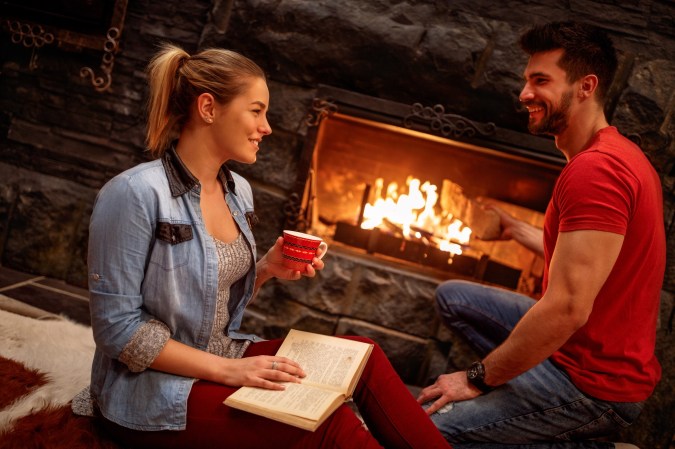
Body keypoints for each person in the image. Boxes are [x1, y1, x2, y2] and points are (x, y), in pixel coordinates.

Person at [73, 43, 452, 449]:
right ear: (208, 108)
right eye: (256, 110)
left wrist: (267, 268)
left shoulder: (239, 192)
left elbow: (207, 303)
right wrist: (228, 371)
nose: (267, 126)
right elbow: (117, 331)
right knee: (328, 425)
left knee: (363, 357)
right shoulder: (133, 193)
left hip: (220, 356)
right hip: (148, 392)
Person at [417, 21, 665, 449]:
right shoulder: (613, 152)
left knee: (425, 432)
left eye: (540, 81)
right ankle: (529, 398)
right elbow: (586, 257)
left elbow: (567, 309)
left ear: (585, 86)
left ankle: (569, 429)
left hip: (592, 384)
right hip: (579, 347)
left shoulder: (595, 171)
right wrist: (515, 230)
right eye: (526, 80)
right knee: (454, 297)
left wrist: (475, 379)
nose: (524, 94)